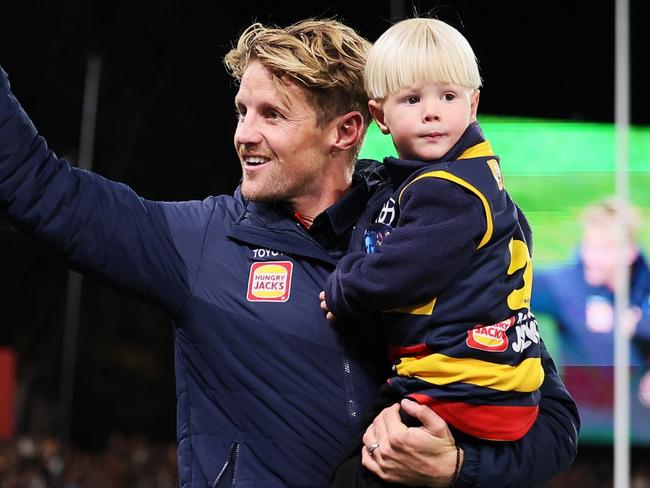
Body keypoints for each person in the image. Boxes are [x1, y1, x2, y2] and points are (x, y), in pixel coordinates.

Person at [0, 17, 578, 488]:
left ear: (347, 130)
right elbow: (46, 191)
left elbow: (554, 422)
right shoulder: (201, 243)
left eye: (271, 115)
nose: (243, 134)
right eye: (241, 112)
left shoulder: (437, 227)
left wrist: (456, 467)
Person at [319, 17, 545, 486]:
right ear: (380, 116)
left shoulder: (450, 189)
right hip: (493, 386)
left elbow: (399, 273)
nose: (432, 112)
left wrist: (344, 288)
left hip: (460, 389)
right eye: (411, 99)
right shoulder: (480, 179)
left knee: (353, 474)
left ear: (473, 104)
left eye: (448, 96)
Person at [532, 197, 650, 439]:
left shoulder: (644, 287)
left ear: (629, 253)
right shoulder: (566, 284)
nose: (591, 257)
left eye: (604, 249)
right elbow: (510, 283)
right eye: (588, 245)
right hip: (585, 421)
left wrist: (627, 322)